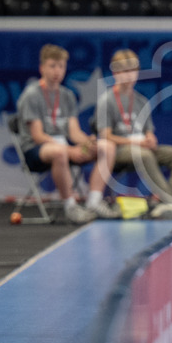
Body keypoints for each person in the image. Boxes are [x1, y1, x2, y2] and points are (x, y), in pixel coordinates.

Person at [16, 44, 123, 224]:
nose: (57, 71)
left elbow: (74, 132)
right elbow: (38, 136)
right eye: (52, 66)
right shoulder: (31, 95)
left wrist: (87, 142)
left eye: (61, 66)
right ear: (42, 68)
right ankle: (70, 206)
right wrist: (69, 149)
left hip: (65, 147)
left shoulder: (67, 96)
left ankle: (94, 201)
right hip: (37, 150)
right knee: (59, 152)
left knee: (107, 147)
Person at [96, 50, 172, 219]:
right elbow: (105, 136)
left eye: (132, 70)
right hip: (119, 150)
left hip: (142, 147)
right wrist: (136, 143)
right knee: (144, 155)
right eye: (124, 71)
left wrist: (150, 138)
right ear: (115, 73)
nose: (129, 75)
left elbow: (148, 132)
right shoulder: (107, 100)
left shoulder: (141, 100)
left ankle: (165, 204)